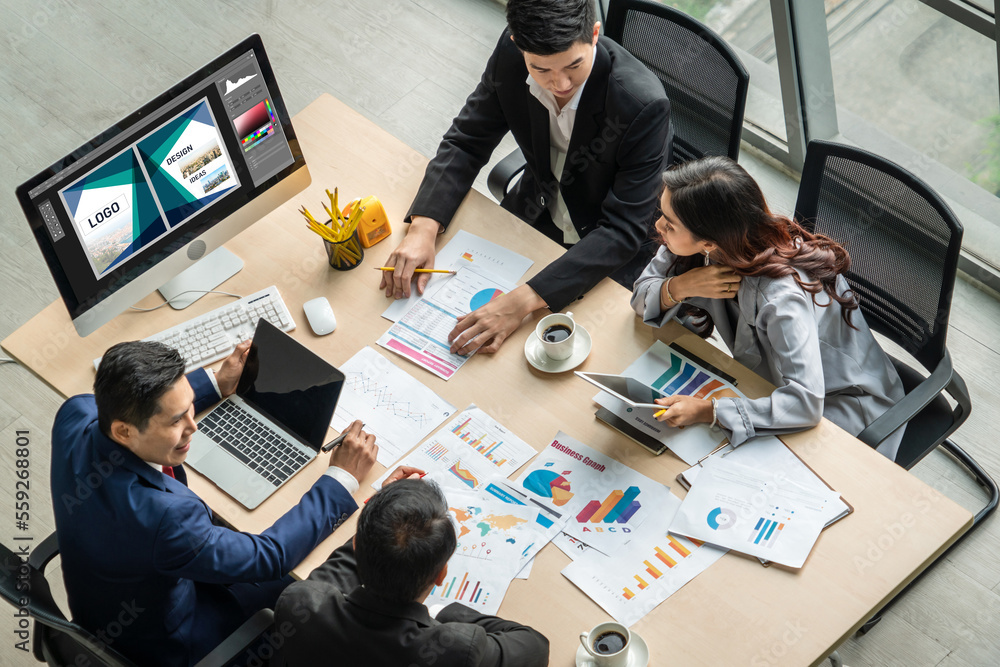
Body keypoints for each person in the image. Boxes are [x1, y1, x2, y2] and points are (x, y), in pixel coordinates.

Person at [50, 340, 380, 667]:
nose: (193, 427)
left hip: (105, 601)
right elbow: (270, 556)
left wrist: (214, 384)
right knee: (308, 585)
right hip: (170, 644)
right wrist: (341, 478)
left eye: (189, 407)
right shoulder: (166, 519)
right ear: (124, 432)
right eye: (176, 421)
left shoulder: (76, 413)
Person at [381, 0, 672, 355]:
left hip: (608, 249)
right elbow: (467, 140)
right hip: (537, 211)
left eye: (574, 66)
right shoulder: (510, 52)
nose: (560, 83)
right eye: (541, 69)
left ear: (594, 35)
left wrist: (520, 302)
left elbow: (623, 229)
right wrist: (423, 227)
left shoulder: (642, 104)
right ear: (519, 44)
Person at [631, 156, 906, 460]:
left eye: (669, 225)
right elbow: (640, 297)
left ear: (709, 242)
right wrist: (680, 287)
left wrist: (710, 410)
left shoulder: (782, 298)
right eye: (662, 213)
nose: (658, 225)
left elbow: (805, 401)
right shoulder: (711, 242)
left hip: (842, 405)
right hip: (769, 384)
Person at [272, 479, 550, 667]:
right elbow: (535, 646)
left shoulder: (303, 604)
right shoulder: (454, 649)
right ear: (441, 575)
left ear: (357, 546)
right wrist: (444, 613)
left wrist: (381, 518)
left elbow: (341, 569)